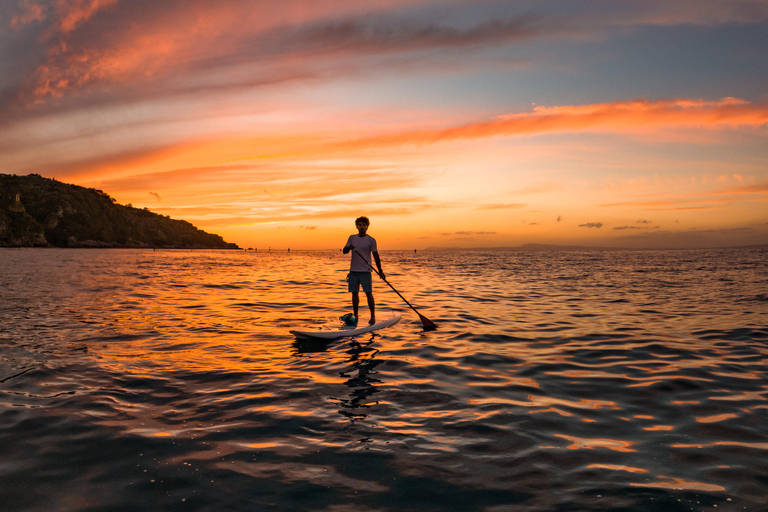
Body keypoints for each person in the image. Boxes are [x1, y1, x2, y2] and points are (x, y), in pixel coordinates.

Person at [343, 216, 385, 324]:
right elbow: (344, 251)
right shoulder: (352, 238)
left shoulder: (371, 240)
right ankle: (356, 316)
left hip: (366, 271)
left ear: (367, 227)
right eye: (360, 225)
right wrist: (348, 248)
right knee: (354, 294)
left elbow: (376, 255)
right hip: (353, 271)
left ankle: (372, 316)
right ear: (357, 226)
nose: (362, 227)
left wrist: (380, 271)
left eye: (364, 225)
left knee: (368, 293)